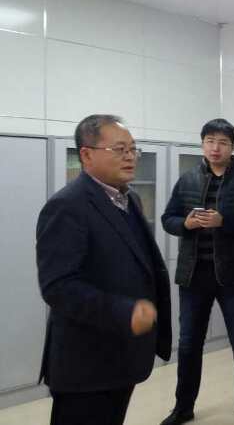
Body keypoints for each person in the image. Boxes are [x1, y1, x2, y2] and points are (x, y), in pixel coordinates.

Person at [36, 114, 172, 425]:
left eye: (133, 149)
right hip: (87, 364)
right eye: (119, 149)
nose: (130, 156)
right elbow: (58, 286)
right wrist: (124, 311)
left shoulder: (129, 198)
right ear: (86, 155)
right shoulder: (68, 206)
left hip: (122, 355)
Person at [160, 118, 234, 425]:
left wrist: (225, 222)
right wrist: (185, 224)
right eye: (209, 141)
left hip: (233, 276)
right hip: (193, 274)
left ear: (232, 147)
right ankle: (183, 407)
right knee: (188, 345)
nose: (215, 148)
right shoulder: (188, 179)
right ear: (202, 143)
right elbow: (168, 218)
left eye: (222, 142)